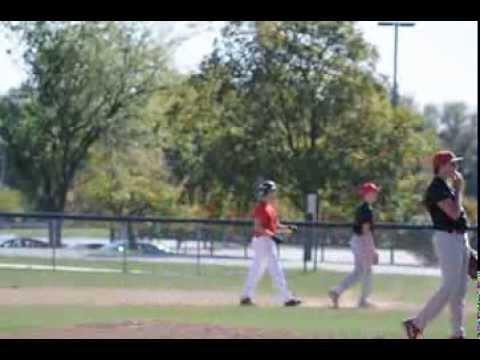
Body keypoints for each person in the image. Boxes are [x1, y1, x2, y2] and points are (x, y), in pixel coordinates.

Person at [403, 150, 471, 339]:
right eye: (452, 164)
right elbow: (454, 214)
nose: (455, 168)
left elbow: (459, 216)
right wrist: (459, 189)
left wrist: (467, 248)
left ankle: (457, 333)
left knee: (459, 291)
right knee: (449, 287)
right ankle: (416, 324)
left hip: (459, 239)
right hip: (447, 239)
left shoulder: (446, 187)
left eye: (455, 164)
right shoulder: (436, 188)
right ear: (440, 167)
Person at [239, 180, 301, 307]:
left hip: (267, 240)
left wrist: (287, 228)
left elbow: (274, 225)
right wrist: (273, 236)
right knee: (275, 269)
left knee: (257, 269)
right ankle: (287, 298)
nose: (274, 194)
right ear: (266, 192)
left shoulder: (270, 207)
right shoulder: (260, 208)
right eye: (272, 191)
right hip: (262, 241)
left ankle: (246, 296)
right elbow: (258, 227)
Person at [328, 182, 380, 309]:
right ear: (366, 194)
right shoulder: (367, 209)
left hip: (358, 240)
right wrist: (372, 250)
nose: (375, 195)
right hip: (362, 241)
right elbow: (365, 230)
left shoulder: (363, 207)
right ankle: (362, 300)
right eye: (373, 192)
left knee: (359, 272)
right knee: (366, 271)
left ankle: (337, 291)